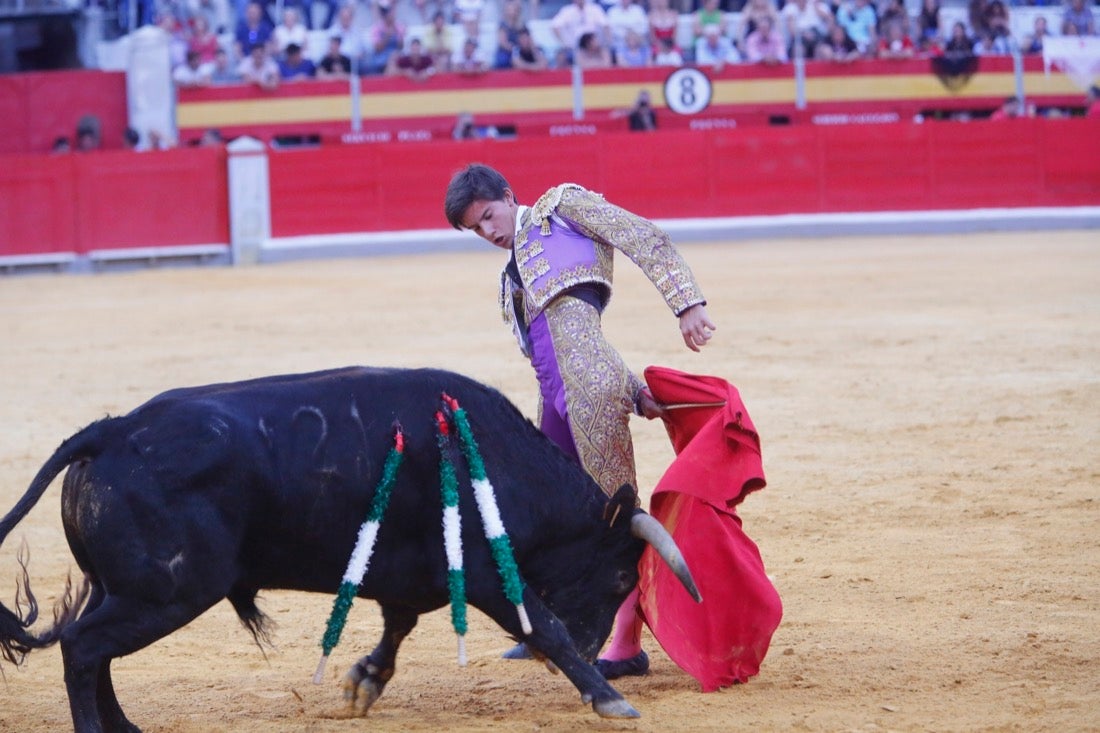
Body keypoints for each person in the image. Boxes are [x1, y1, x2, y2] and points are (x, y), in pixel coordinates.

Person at [443, 163, 716, 678]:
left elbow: (642, 235)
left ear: (507, 194)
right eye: (476, 230)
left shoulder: (560, 209)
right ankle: (553, 627)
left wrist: (687, 303)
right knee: (544, 518)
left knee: (616, 524)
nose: (488, 232)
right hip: (557, 403)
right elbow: (563, 351)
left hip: (589, 399)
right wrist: (633, 388)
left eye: (488, 217)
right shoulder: (510, 281)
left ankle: (626, 644)